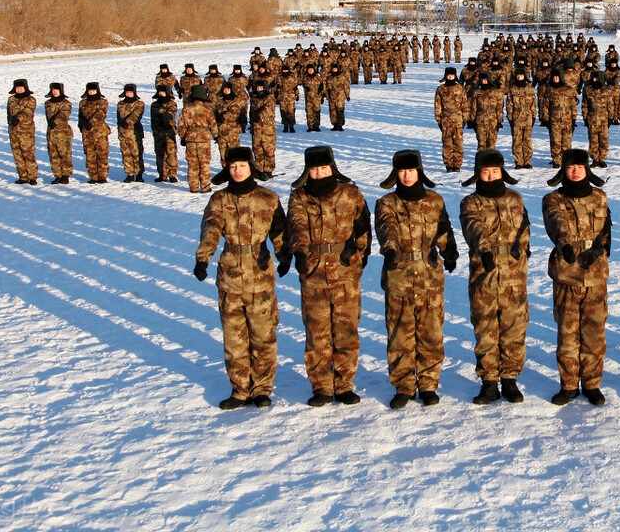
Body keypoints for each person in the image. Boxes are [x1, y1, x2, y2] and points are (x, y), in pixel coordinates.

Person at [193, 146, 290, 410]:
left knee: (263, 335)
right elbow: (211, 229)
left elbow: (279, 231)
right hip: (230, 275)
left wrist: (285, 256)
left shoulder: (268, 198)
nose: (237, 171)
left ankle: (262, 389)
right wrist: (203, 258)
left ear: (251, 167)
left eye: (242, 166)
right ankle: (239, 389)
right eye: (232, 167)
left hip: (260, 274)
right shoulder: (219, 199)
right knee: (234, 338)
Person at [287, 146, 372, 407]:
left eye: (324, 168)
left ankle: (345, 384)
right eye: (314, 169)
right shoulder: (299, 196)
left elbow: (363, 225)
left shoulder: (350, 193)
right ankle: (321, 386)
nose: (319, 173)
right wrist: (300, 253)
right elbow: (296, 224)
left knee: (347, 330)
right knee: (317, 333)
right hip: (313, 272)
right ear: (307, 171)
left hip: (345, 271)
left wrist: (359, 254)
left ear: (332, 167)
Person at [375, 150, 458, 408]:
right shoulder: (387, 202)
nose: (407, 176)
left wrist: (450, 251)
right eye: (402, 171)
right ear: (395, 173)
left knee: (431, 332)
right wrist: (389, 249)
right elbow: (385, 226)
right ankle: (404, 385)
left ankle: (429, 383)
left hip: (429, 275)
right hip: (398, 274)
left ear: (419, 171)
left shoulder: (434, 200)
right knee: (400, 332)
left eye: (411, 171)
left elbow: (443, 227)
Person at [459, 150, 531, 405]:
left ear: (502, 173)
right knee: (486, 329)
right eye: (485, 172)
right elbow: (472, 225)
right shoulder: (471, 201)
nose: (490, 177)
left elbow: (524, 227)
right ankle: (489, 381)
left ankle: (510, 379)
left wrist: (523, 250)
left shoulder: (515, 198)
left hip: (514, 276)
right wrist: (485, 250)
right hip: (484, 275)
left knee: (514, 328)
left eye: (495, 172)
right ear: (478, 174)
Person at [542, 149, 611, 406]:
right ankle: (569, 384)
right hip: (567, 272)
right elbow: (555, 221)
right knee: (568, 332)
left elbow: (605, 229)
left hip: (595, 274)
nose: (575, 171)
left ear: (587, 169)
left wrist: (599, 250)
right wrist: (564, 244)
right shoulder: (553, 198)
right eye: (571, 167)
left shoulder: (599, 197)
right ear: (564, 170)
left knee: (594, 332)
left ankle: (592, 383)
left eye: (580, 167)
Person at [178, 84, 218, 193]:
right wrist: (216, 136)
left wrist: (183, 137)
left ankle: (193, 187)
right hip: (204, 139)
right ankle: (205, 187)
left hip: (190, 139)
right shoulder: (207, 109)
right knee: (204, 163)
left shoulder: (186, 108)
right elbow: (213, 124)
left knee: (192, 163)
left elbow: (181, 124)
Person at [434, 67, 470, 172]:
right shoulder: (440, 89)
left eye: (452, 75)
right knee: (447, 143)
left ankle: (457, 164)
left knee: (458, 143)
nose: (450, 77)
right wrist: (438, 119)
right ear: (445, 76)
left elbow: (465, 104)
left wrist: (464, 119)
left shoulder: (460, 88)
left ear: (455, 76)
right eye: (448, 75)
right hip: (445, 118)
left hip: (458, 118)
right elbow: (438, 105)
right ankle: (449, 164)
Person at [78, 82, 111, 184]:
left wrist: (90, 122)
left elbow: (101, 114)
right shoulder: (83, 103)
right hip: (87, 133)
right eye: (89, 90)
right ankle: (93, 176)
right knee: (90, 155)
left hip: (100, 133)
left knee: (102, 154)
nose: (91, 92)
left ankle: (102, 176)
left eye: (93, 90)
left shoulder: (103, 102)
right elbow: (80, 116)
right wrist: (82, 125)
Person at [7, 78, 38, 185]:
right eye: (17, 87)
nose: (19, 90)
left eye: (21, 87)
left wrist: (18, 118)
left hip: (26, 132)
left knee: (28, 154)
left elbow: (28, 111)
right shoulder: (11, 99)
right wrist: (10, 124)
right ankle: (23, 176)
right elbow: (9, 114)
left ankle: (32, 176)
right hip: (14, 131)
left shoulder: (31, 99)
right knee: (17, 154)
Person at [505, 69, 536, 169]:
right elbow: (509, 105)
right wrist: (510, 118)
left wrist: (534, 116)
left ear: (524, 76)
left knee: (527, 140)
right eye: (518, 75)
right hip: (516, 117)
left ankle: (527, 161)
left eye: (521, 75)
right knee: (517, 141)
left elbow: (533, 104)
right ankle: (518, 161)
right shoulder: (512, 89)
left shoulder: (530, 89)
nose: (519, 77)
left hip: (528, 117)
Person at [44, 82, 74, 184]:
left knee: (65, 154)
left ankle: (66, 175)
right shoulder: (48, 103)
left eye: (56, 90)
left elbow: (64, 114)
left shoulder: (66, 103)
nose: (55, 92)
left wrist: (55, 122)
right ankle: (57, 175)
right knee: (53, 155)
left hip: (63, 133)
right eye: (53, 90)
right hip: (51, 133)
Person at [116, 83, 146, 183]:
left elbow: (137, 115)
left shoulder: (139, 104)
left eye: (130, 92)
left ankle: (139, 174)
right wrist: (120, 126)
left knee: (137, 153)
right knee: (126, 154)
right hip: (123, 133)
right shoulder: (120, 104)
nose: (128, 94)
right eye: (127, 92)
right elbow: (118, 118)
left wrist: (127, 122)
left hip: (134, 133)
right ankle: (129, 174)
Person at [149, 84, 178, 183]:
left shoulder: (171, 104)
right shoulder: (154, 105)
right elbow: (152, 119)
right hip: (158, 133)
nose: (161, 93)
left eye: (163, 92)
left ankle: (172, 174)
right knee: (160, 154)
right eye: (159, 92)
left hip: (169, 133)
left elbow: (171, 113)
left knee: (171, 154)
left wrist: (166, 117)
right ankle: (162, 174)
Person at [248, 80, 277, 178]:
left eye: (261, 87)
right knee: (257, 149)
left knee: (268, 149)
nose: (259, 89)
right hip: (256, 127)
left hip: (267, 127)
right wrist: (251, 123)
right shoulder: (254, 98)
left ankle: (268, 169)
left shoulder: (269, 97)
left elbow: (267, 108)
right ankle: (259, 169)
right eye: (258, 87)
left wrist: (260, 115)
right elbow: (251, 112)